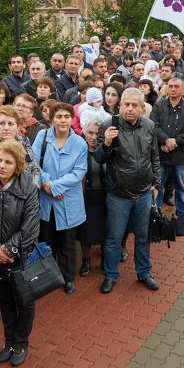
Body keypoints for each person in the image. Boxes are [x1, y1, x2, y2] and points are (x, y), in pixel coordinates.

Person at [0, 140, 42, 367]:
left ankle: (21, 342)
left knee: (24, 300)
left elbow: (31, 226)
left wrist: (7, 250)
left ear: (18, 165)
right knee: (5, 300)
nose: (1, 165)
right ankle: (9, 342)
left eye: (8, 161)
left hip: (20, 258)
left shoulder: (28, 187)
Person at [97, 88, 161, 294]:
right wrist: (106, 143)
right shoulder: (109, 125)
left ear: (142, 108)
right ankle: (111, 275)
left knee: (143, 237)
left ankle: (144, 273)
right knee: (114, 239)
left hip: (143, 193)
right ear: (120, 105)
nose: (130, 109)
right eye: (127, 104)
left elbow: (155, 158)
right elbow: (99, 159)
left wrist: (157, 184)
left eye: (135, 105)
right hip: (118, 195)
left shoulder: (150, 126)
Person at [31, 102, 88, 294]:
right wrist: (46, 184)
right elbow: (32, 162)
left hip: (68, 200)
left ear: (71, 119)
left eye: (66, 117)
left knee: (67, 242)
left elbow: (78, 173)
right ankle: (49, 276)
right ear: (51, 119)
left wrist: (54, 187)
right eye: (58, 117)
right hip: (45, 200)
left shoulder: (80, 143)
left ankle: (67, 277)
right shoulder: (42, 136)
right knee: (46, 240)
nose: (62, 120)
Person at [151, 76, 184, 225]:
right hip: (161, 155)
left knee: (181, 188)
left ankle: (183, 216)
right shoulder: (159, 106)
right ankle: (155, 215)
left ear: (183, 90)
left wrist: (174, 142)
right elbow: (153, 126)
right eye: (170, 86)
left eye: (176, 86)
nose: (172, 89)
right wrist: (165, 140)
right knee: (157, 187)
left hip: (180, 157)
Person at [76, 111, 110, 277]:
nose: (94, 136)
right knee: (85, 233)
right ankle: (86, 260)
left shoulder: (109, 151)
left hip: (105, 198)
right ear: (83, 132)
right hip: (85, 198)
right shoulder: (78, 152)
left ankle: (105, 259)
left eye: (97, 133)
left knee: (105, 230)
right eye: (90, 132)